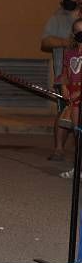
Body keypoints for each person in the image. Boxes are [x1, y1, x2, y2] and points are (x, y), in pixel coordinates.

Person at [41, 0, 82, 162]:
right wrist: (67, 43)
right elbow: (46, 41)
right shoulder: (57, 17)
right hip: (65, 76)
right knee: (64, 112)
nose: (67, 0)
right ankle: (58, 149)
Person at [57, 18, 82, 179]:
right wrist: (64, 87)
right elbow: (65, 73)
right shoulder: (70, 53)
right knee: (77, 133)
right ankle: (77, 168)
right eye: (78, 31)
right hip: (74, 98)